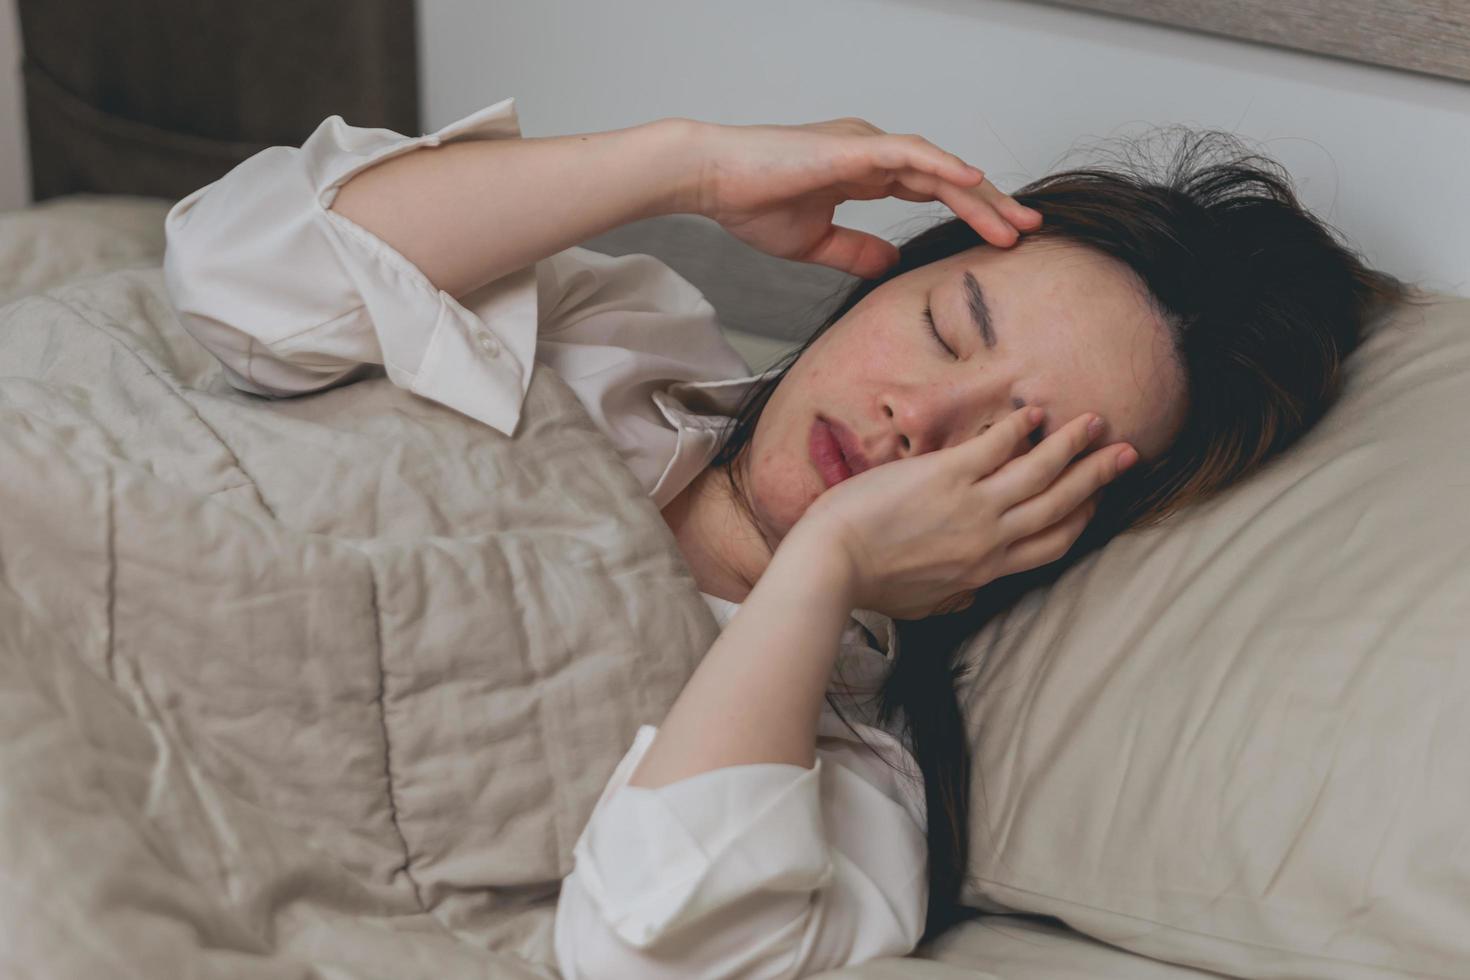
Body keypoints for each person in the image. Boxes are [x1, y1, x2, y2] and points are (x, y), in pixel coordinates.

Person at [161, 97, 1421, 978]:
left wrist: (819, 571)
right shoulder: (612, 334)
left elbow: (649, 949)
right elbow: (236, 276)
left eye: (1009, 445)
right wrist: (687, 168)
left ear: (1047, 532)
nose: (914, 418)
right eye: (944, 330)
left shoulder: (850, 785)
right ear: (882, 283)